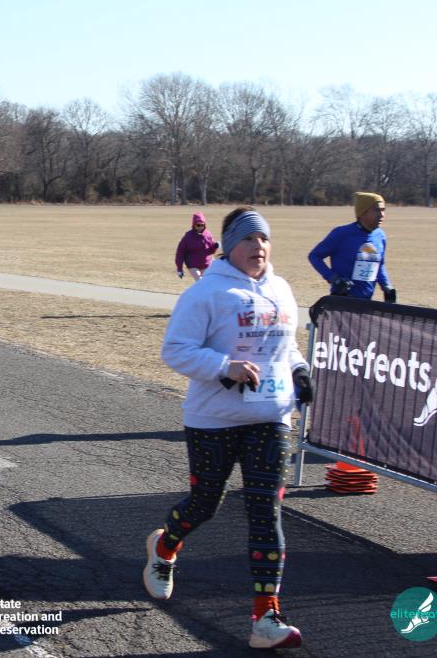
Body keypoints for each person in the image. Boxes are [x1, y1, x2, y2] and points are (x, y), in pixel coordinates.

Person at [145, 206, 313, 650]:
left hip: (270, 418)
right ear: (231, 245)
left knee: (266, 512)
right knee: (205, 504)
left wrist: (300, 372)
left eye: (264, 239)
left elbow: (285, 346)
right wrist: (225, 367)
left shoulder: (280, 288)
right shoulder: (206, 293)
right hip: (214, 419)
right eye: (249, 239)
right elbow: (175, 350)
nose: (259, 247)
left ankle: (265, 618)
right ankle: (164, 548)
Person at [308, 192, 395, 302]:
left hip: (367, 302)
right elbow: (314, 256)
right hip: (342, 301)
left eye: (383, 210)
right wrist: (334, 279)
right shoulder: (342, 234)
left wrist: (386, 286)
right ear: (362, 212)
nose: (382, 215)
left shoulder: (380, 235)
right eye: (377, 210)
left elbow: (379, 264)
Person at [174, 211, 219, 281]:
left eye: (202, 225)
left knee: (207, 282)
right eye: (198, 225)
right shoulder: (188, 236)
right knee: (200, 281)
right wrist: (179, 269)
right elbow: (180, 252)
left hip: (207, 264)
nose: (200, 227)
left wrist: (215, 246)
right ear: (194, 225)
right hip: (193, 266)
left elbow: (211, 251)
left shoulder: (208, 234)